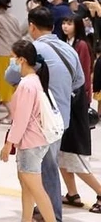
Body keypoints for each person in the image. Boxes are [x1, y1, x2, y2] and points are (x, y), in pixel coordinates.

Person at [6, 6, 85, 222]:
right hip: (60, 118)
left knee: (39, 170)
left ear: (31, 26)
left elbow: (10, 75)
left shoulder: (31, 49)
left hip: (37, 122)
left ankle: (51, 216)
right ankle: (42, 213)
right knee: (46, 168)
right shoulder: (68, 49)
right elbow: (79, 81)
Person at [1, 40, 57, 222]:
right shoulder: (34, 81)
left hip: (30, 142)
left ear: (22, 60)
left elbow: (21, 120)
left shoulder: (26, 84)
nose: (12, 61)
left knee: (36, 188)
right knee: (27, 186)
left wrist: (9, 143)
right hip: (36, 140)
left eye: (14, 58)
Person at [58, 13, 101, 212]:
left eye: (69, 23)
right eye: (64, 22)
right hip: (67, 104)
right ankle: (72, 194)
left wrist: (78, 104)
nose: (66, 26)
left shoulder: (81, 45)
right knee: (62, 155)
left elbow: (82, 78)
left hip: (76, 107)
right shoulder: (66, 43)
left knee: (76, 157)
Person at [0, 0, 26, 123]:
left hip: (2, 54)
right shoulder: (13, 18)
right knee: (13, 86)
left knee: (2, 86)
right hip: (15, 53)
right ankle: (15, 113)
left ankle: (12, 114)